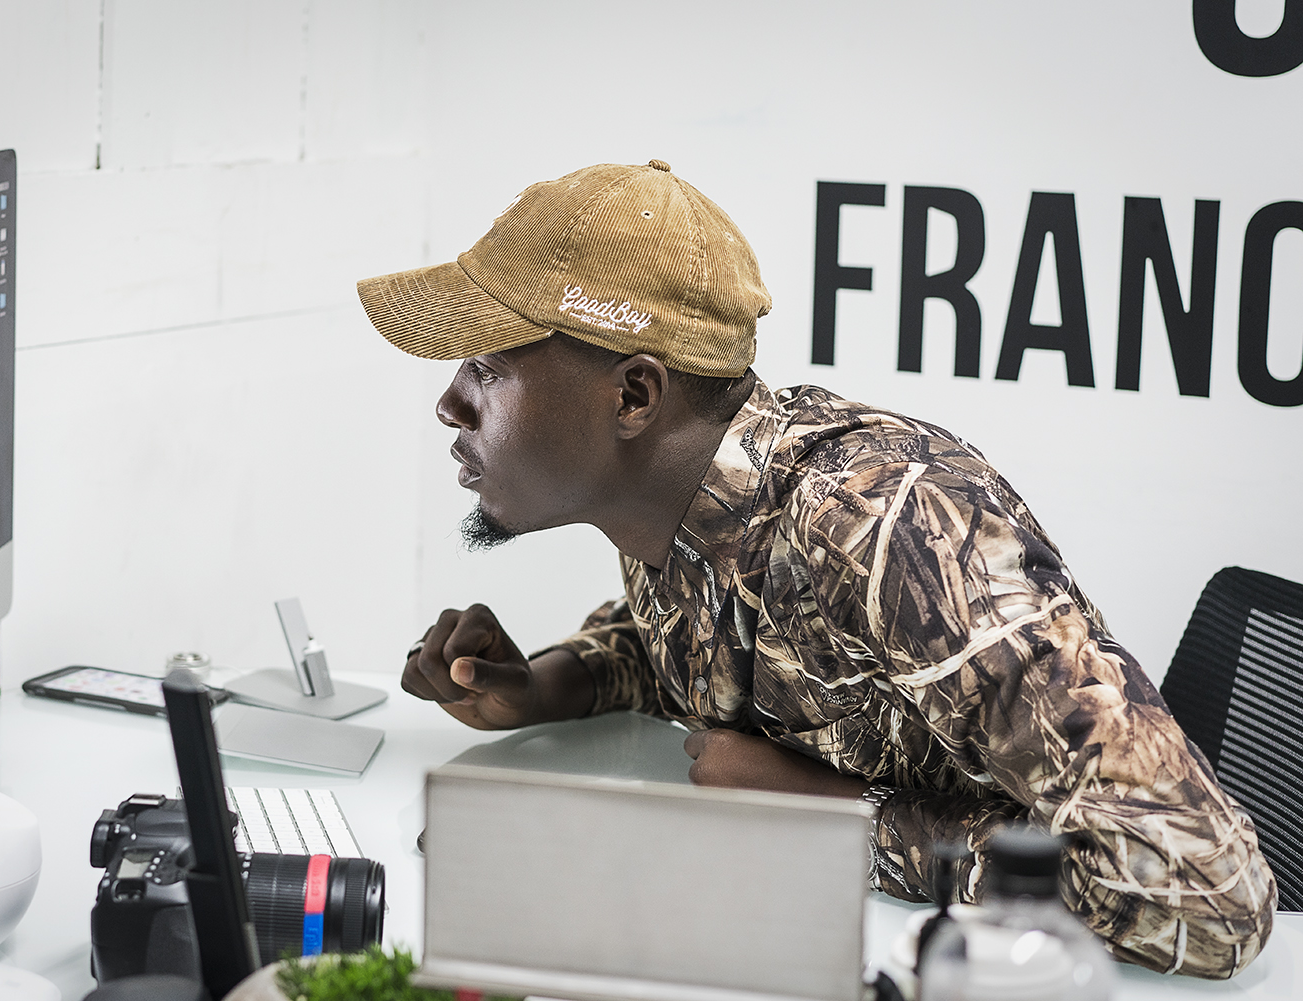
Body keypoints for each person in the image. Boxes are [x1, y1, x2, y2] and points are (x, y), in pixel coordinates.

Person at [356, 159, 1276, 978]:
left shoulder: (894, 528)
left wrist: (836, 814)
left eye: (484, 366)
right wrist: (555, 684)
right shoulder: (675, 497)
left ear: (634, 394)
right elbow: (717, 648)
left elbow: (1208, 893)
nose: (449, 403)